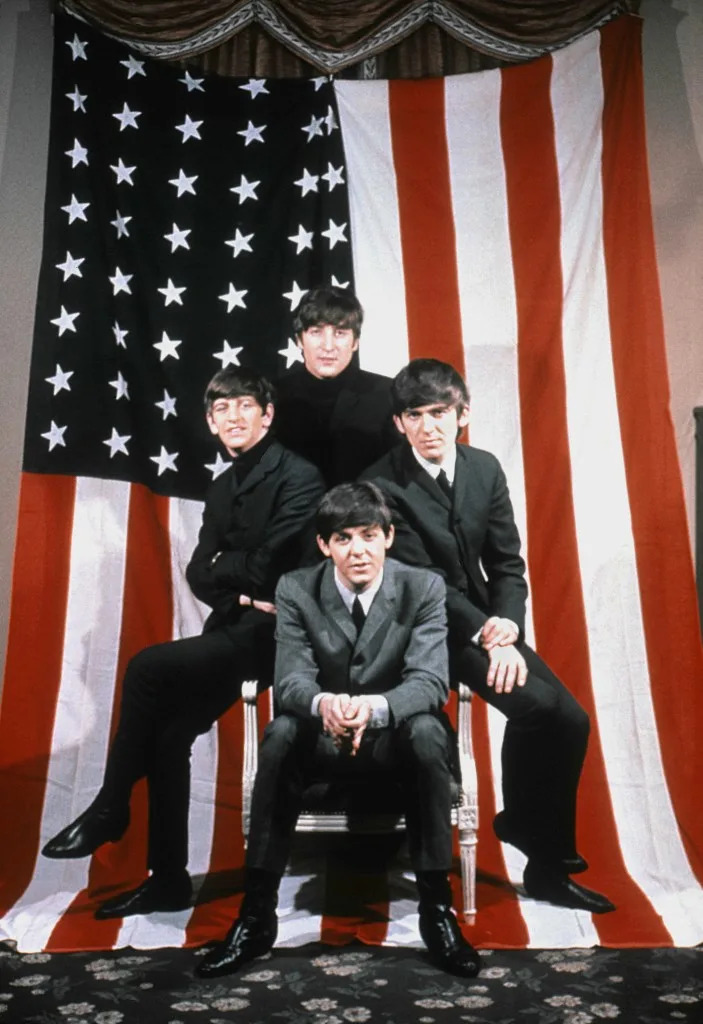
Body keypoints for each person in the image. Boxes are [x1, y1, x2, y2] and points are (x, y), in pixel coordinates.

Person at [42, 368, 325, 919]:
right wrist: (240, 590)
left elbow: (267, 566)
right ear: (211, 423)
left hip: (283, 636)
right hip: (236, 626)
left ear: (267, 415)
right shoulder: (221, 487)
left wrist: (229, 571)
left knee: (147, 666)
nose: (234, 417)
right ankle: (167, 879)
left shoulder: (300, 477)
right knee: (170, 736)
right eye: (222, 409)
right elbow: (198, 573)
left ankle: (111, 805)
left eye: (245, 405)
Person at [196, 481, 481, 980]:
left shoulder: (423, 588)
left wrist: (373, 708)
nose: (358, 551)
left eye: (369, 535)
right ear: (324, 545)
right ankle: (255, 918)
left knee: (428, 733)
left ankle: (437, 913)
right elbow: (291, 680)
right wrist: (324, 703)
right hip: (323, 738)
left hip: (394, 740)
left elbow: (430, 681)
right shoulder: (296, 588)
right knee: (281, 733)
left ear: (388, 537)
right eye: (343, 539)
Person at [361, 358, 615, 915]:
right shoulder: (381, 484)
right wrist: (487, 635)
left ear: (463, 414)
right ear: (399, 423)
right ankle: (536, 839)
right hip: (423, 630)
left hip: (487, 623)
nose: (428, 426)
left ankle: (533, 846)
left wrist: (508, 622)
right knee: (536, 708)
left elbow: (506, 563)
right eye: (414, 415)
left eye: (439, 412)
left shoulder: (485, 468)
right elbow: (423, 581)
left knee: (570, 720)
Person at [274, 285, 398, 485]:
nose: (328, 346)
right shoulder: (273, 397)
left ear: (355, 342)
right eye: (316, 332)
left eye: (340, 333)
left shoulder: (388, 395)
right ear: (299, 340)